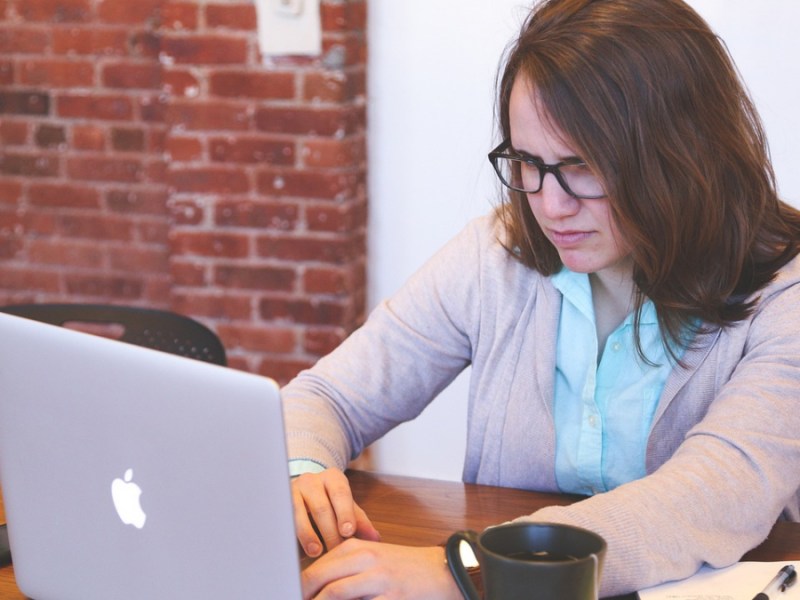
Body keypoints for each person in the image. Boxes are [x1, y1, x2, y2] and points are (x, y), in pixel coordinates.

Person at [281, 0, 800, 597]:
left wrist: (473, 571)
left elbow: (711, 498)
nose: (549, 205)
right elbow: (326, 395)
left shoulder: (783, 294)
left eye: (583, 168)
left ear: (681, 154)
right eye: (528, 162)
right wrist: (304, 469)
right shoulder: (495, 255)